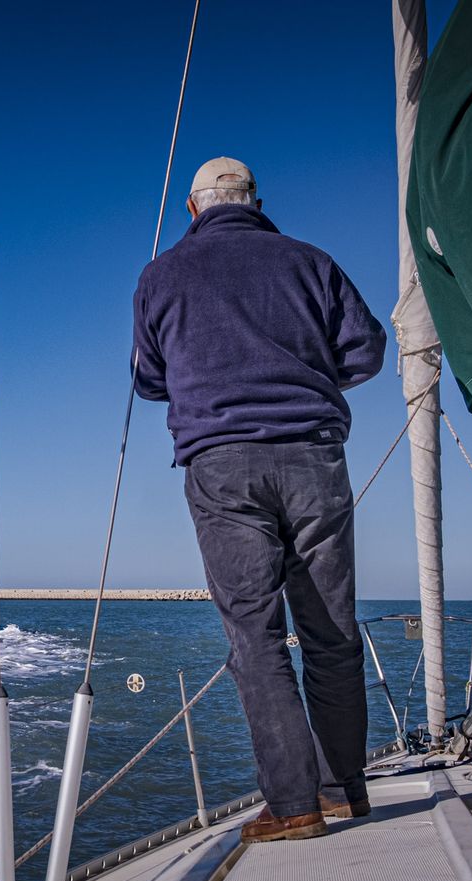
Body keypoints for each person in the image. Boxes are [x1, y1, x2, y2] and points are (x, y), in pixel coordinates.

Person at [132, 157, 386, 842]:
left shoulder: (161, 276)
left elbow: (147, 377)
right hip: (313, 456)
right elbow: (365, 352)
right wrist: (300, 379)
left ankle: (294, 804)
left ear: (192, 210)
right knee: (331, 631)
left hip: (221, 465)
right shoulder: (311, 262)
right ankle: (343, 792)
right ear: (257, 202)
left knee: (256, 636)